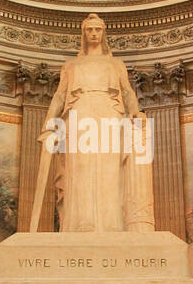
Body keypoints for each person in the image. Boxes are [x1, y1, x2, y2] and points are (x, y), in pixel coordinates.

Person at [39, 14, 146, 232]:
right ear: (84, 34)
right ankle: (80, 222)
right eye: (90, 30)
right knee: (79, 168)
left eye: (98, 29)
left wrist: (135, 111)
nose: (94, 33)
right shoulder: (71, 65)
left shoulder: (116, 64)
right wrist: (49, 124)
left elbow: (126, 91)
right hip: (78, 113)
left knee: (111, 170)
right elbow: (60, 96)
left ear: (103, 33)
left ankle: (112, 224)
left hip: (110, 113)